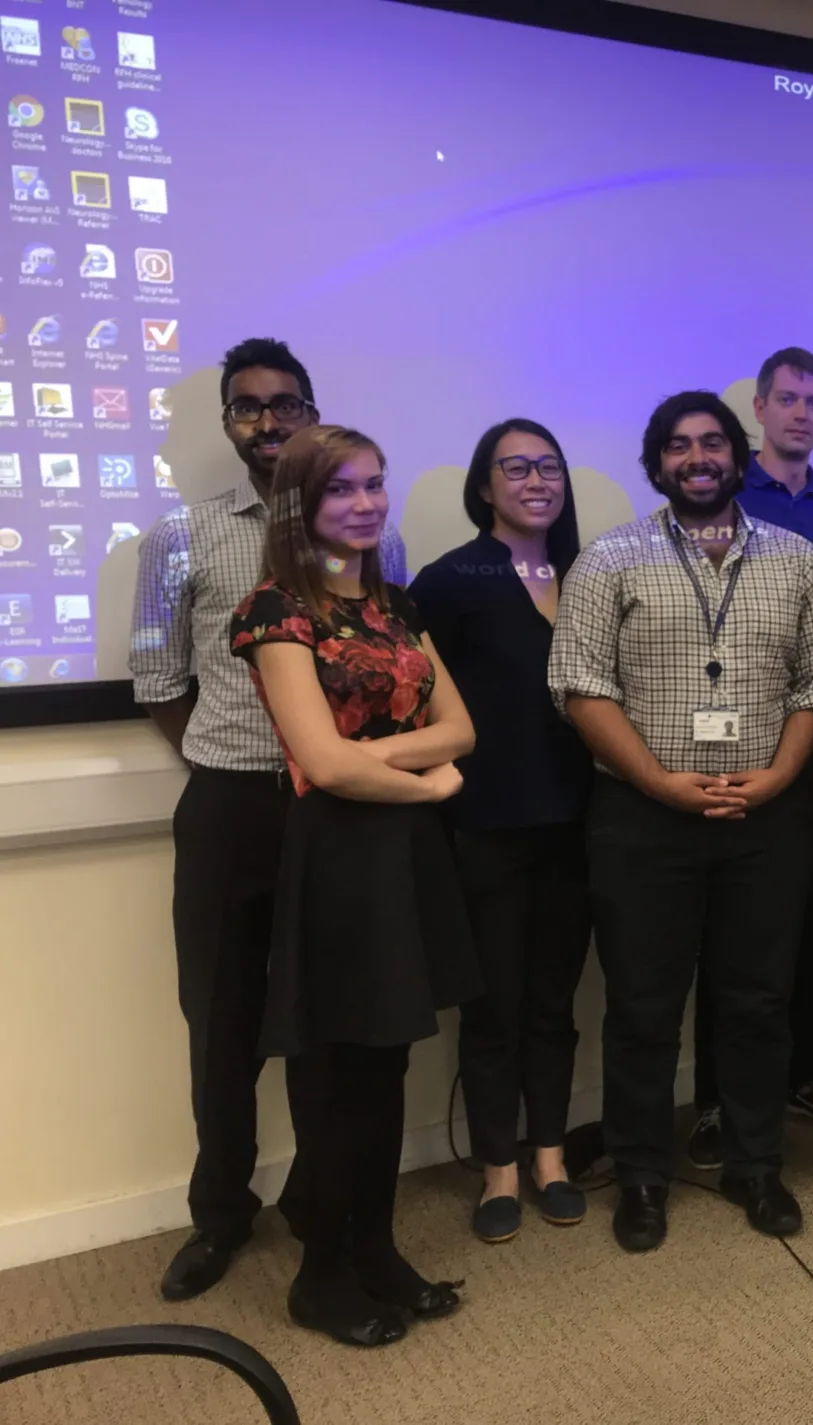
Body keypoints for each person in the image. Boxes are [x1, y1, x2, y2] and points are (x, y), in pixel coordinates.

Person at [129, 338, 407, 1302]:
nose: (268, 420)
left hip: (336, 810)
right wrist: (238, 755)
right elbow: (159, 679)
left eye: (286, 403)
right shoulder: (181, 538)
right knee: (223, 1022)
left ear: (312, 414)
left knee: (329, 1022)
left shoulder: (369, 537)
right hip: (232, 805)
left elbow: (390, 670)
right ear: (227, 424)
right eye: (247, 407)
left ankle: (315, 1203)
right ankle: (220, 1212)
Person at [550, 391, 813, 1254]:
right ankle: (642, 1172)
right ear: (657, 464)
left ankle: (755, 1162)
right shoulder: (608, 559)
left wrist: (778, 776)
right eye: (678, 446)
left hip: (765, 816)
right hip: (643, 818)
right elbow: (579, 686)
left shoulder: (796, 559)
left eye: (713, 443)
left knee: (758, 1001)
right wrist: (661, 782)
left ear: (738, 457)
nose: (698, 458)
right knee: (643, 1007)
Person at [230, 424, 479, 1347]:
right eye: (342, 488)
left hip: (401, 855)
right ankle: (321, 1271)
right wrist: (425, 780)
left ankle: (374, 1248)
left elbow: (462, 729)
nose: (366, 503)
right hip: (337, 856)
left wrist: (386, 764)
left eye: (375, 484)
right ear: (300, 503)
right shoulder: (275, 611)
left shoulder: (394, 604)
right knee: (333, 1070)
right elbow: (322, 765)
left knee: (386, 1063)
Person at [409, 420, 595, 1245]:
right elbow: (414, 698)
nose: (535, 480)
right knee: (492, 1010)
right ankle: (499, 1171)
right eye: (515, 468)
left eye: (548, 466)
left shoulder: (590, 574)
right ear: (484, 486)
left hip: (579, 825)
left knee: (554, 1003)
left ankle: (551, 1158)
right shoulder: (451, 580)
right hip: (484, 827)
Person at [684, 347, 813, 1172]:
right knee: (725, 940)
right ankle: (715, 1100)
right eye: (787, 398)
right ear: (758, 407)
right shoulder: (724, 496)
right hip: (732, 747)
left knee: (804, 932)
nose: (800, 412)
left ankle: (804, 1073)